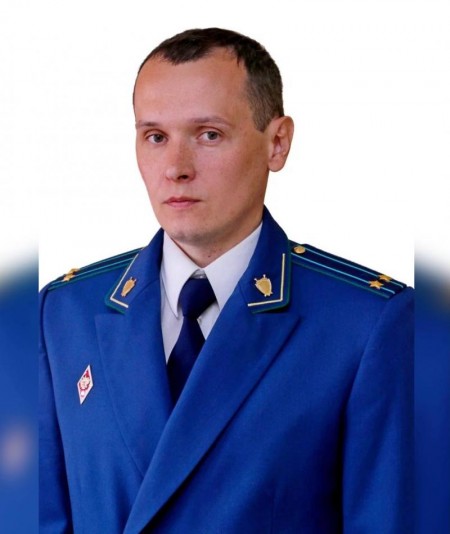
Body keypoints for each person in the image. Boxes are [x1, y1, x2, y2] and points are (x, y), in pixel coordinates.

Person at [40, 28, 413, 533]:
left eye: (208, 135)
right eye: (155, 137)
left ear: (277, 143)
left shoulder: (363, 325)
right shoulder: (65, 314)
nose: (176, 168)